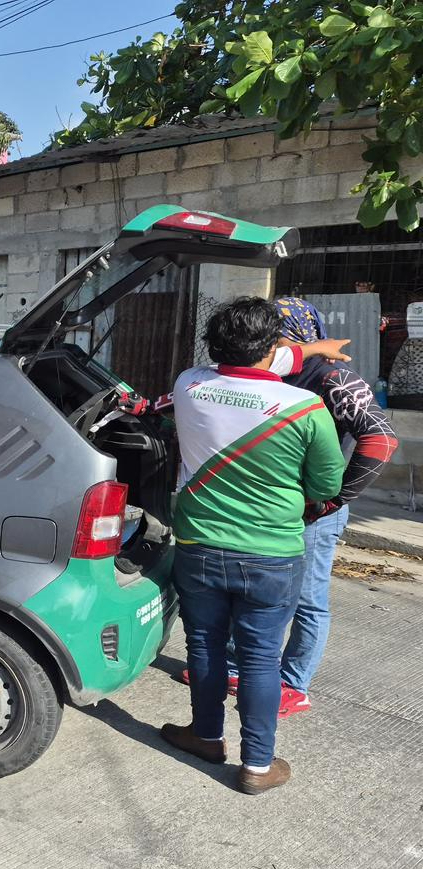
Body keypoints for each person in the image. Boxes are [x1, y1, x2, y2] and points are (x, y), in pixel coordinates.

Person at [161, 297, 345, 795]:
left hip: (198, 544)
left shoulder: (189, 385)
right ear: (275, 346)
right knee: (261, 658)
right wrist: (311, 350)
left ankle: (206, 736)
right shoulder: (305, 408)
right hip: (272, 554)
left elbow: (252, 367)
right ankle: (257, 767)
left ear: (212, 344)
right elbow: (327, 485)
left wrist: (306, 349)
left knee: (204, 644)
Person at [228, 298, 398, 715]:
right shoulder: (268, 372)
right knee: (250, 588)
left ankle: (293, 683)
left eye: (276, 337)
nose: (270, 345)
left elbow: (381, 438)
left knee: (306, 599)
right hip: (269, 505)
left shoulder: (331, 376)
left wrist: (334, 500)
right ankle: (235, 668)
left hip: (312, 512)